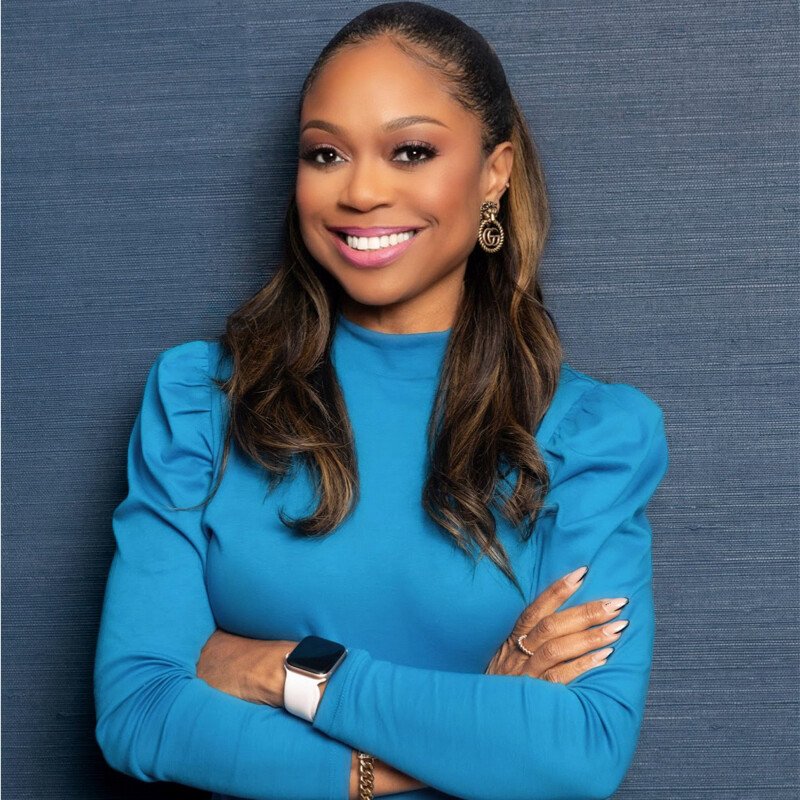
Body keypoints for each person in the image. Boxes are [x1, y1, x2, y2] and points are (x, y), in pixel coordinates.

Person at [93, 3, 669, 799]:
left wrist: (287, 670)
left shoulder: (592, 436)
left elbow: (580, 752)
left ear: (494, 172)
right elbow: (141, 712)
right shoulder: (201, 402)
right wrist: (454, 741)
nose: (361, 190)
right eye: (325, 154)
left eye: (410, 150)